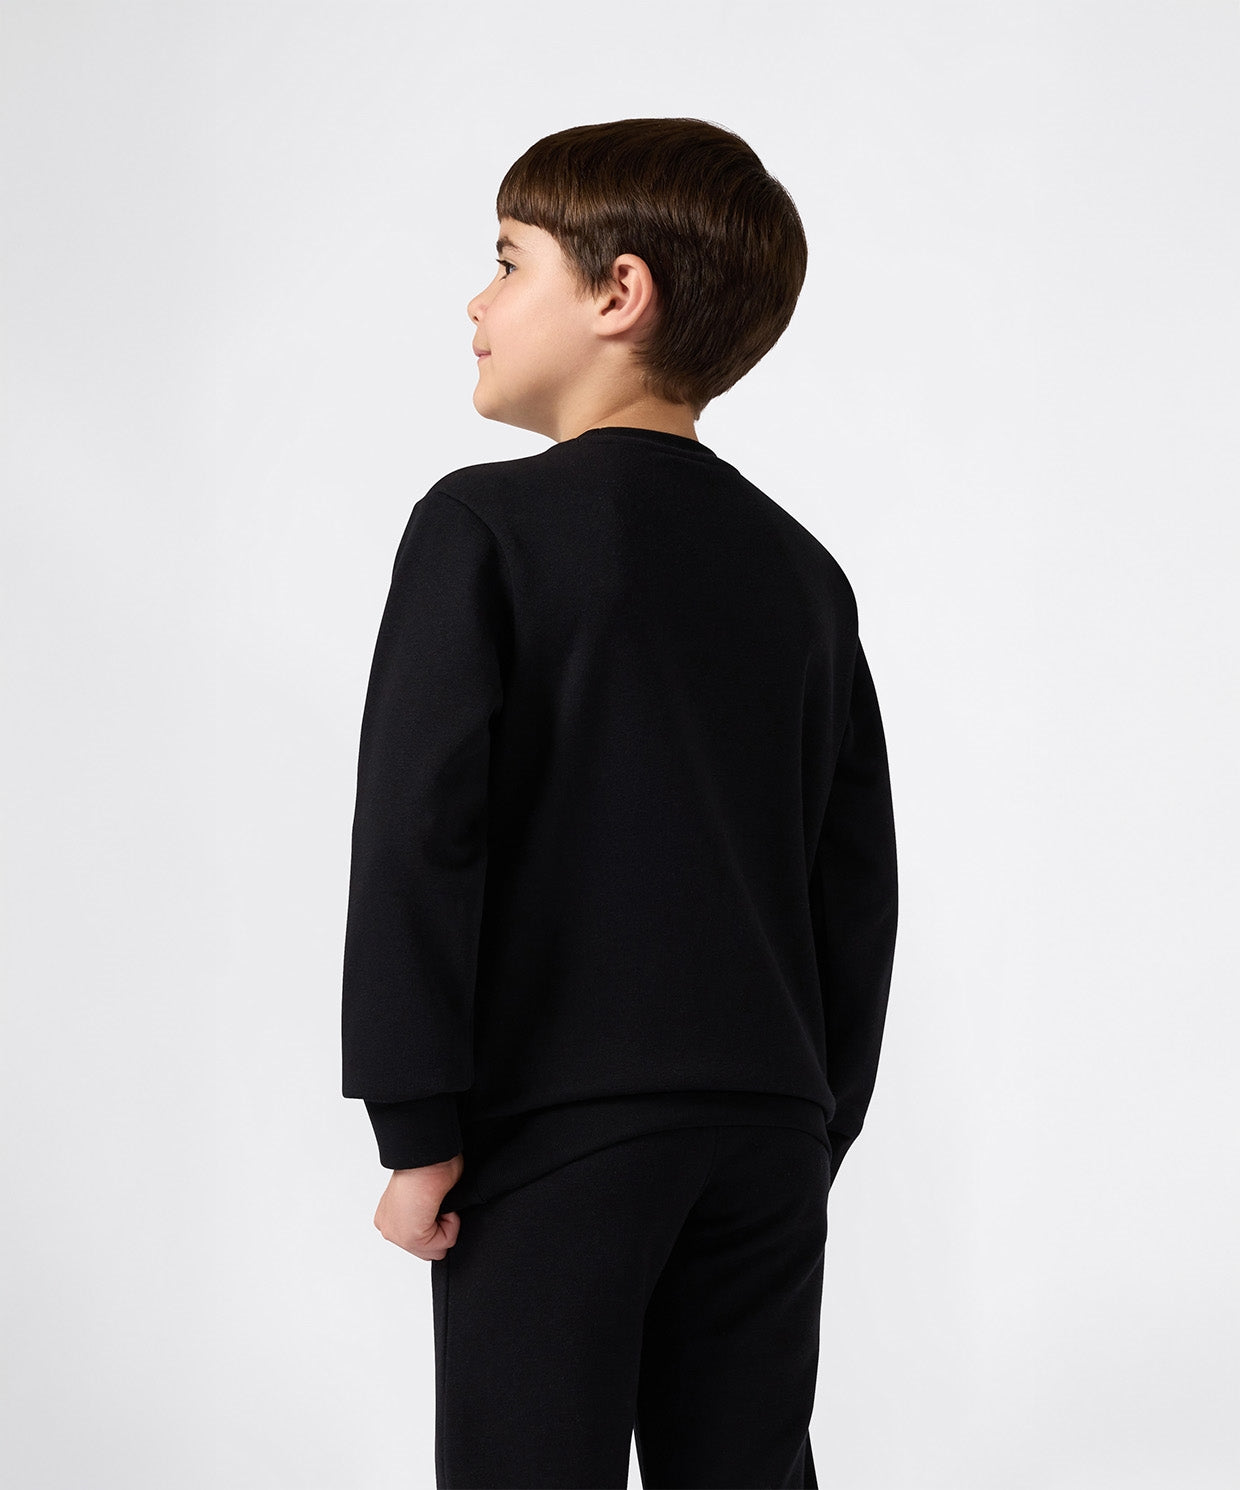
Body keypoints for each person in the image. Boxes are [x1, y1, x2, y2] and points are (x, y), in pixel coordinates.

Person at [341, 116, 899, 1489]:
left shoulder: (483, 527)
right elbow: (854, 879)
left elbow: (422, 830)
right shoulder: (803, 573)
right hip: (767, 1128)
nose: (476, 303)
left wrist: (418, 1125)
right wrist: (814, 1121)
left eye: (507, 260)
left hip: (561, 1124)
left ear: (618, 292)